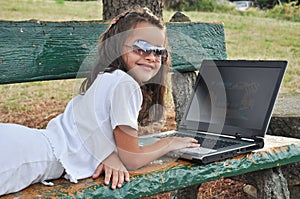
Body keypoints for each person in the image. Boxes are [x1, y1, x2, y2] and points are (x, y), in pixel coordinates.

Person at [0, 7, 199, 196]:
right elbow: (132, 158)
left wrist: (106, 153)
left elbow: (88, 124)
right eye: (142, 47)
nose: (151, 57)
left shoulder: (110, 78)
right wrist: (170, 142)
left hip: (25, 143)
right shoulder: (125, 84)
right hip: (26, 158)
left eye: (159, 51)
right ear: (117, 47)